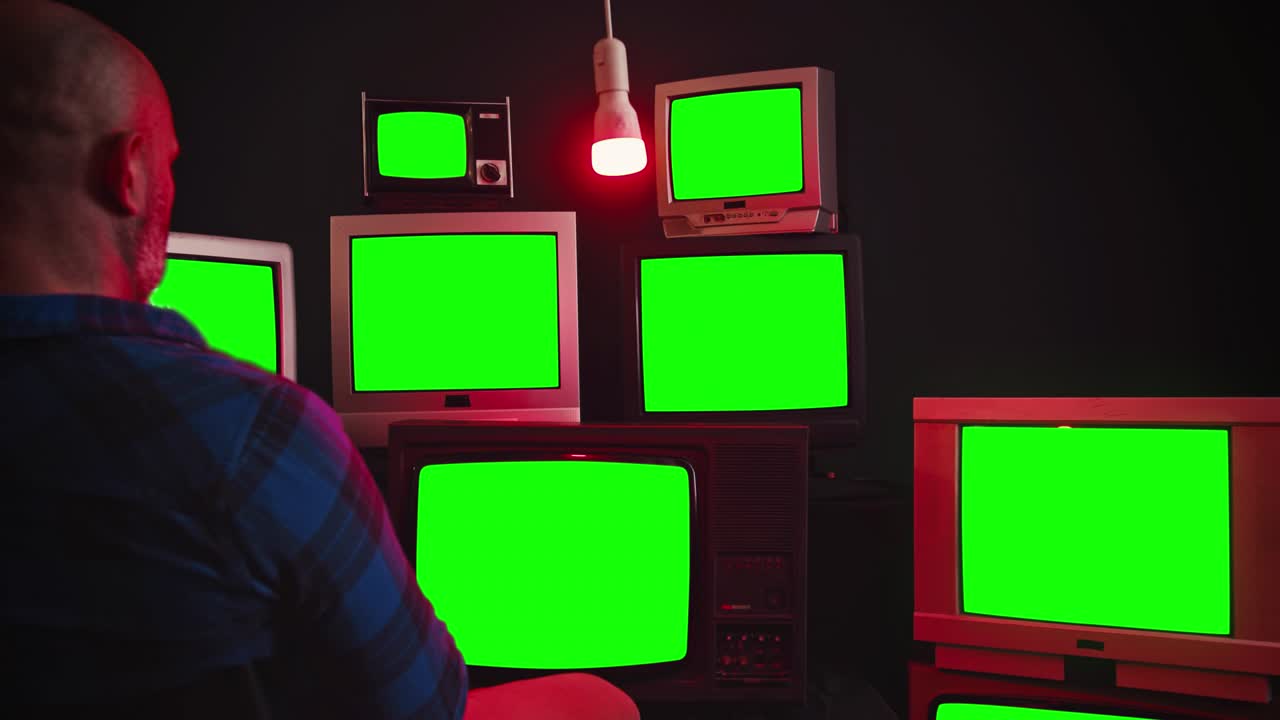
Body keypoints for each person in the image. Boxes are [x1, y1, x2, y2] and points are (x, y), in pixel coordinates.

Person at [0, 2, 638, 718]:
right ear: (129, 171)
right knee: (597, 698)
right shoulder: (255, 435)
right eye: (171, 163)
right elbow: (426, 710)